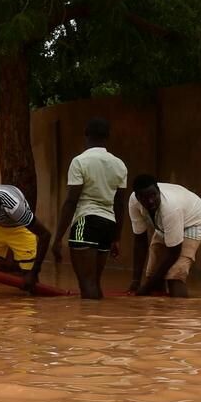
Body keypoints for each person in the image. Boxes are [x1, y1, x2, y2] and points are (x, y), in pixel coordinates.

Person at [50, 118, 128, 299]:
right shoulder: (119, 164)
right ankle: (97, 323)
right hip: (108, 225)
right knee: (94, 283)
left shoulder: (80, 162)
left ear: (86, 135)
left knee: (86, 283)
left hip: (86, 221)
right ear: (108, 137)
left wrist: (57, 238)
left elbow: (71, 201)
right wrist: (116, 237)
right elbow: (120, 203)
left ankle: (87, 325)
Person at [128, 175, 201, 298]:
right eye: (145, 198)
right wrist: (136, 282)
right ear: (138, 198)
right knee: (152, 276)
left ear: (158, 191)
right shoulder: (133, 202)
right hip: (164, 224)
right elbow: (140, 241)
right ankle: (159, 315)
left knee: (174, 277)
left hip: (193, 222)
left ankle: (179, 311)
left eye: (153, 195)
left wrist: (146, 288)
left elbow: (174, 252)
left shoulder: (171, 208)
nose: (151, 201)